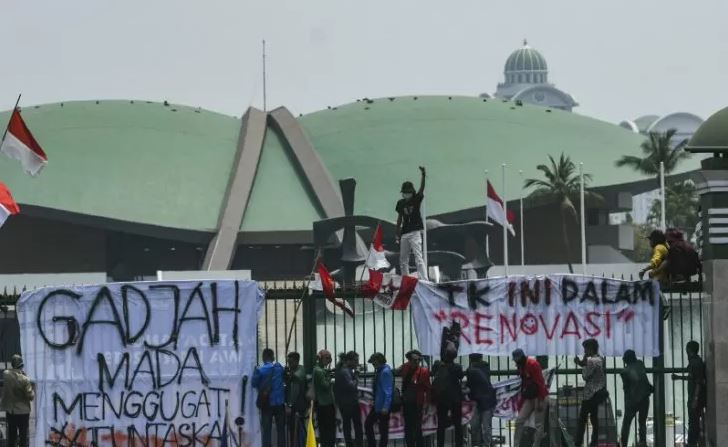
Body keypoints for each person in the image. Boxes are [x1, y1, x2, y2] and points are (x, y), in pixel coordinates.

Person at [672, 341, 706, 447]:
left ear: (689, 350)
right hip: (695, 397)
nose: (686, 351)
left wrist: (695, 399)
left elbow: (699, 382)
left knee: (693, 422)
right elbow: (692, 378)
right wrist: (679, 377)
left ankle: (692, 443)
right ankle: (692, 442)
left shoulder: (695, 363)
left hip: (695, 398)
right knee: (693, 421)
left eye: (687, 349)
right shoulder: (696, 362)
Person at [396, 166, 428, 280]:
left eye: (408, 192)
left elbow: (422, 189)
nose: (406, 194)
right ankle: (406, 280)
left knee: (418, 257)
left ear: (411, 192)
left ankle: (424, 279)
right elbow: (399, 218)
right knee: (403, 260)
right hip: (405, 232)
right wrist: (397, 232)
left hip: (415, 232)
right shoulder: (400, 203)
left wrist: (423, 175)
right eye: (404, 193)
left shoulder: (416, 199)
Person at [574, 339, 608, 447]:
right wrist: (583, 363)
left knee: (582, 420)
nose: (584, 352)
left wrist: (583, 364)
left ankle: (578, 443)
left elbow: (585, 376)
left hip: (589, 395)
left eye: (585, 349)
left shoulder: (591, 361)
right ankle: (594, 442)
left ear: (590, 349)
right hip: (598, 393)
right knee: (594, 419)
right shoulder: (600, 359)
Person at [511, 349, 548, 447]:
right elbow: (524, 384)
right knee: (519, 420)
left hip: (539, 396)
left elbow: (540, 383)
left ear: (520, 358)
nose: (515, 362)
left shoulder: (533, 364)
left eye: (516, 360)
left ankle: (536, 445)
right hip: (529, 397)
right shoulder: (522, 366)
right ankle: (516, 444)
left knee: (539, 425)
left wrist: (540, 400)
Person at [395, 350, 431, 447]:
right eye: (414, 360)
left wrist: (427, 403)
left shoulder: (423, 371)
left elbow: (428, 388)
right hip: (407, 402)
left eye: (418, 360)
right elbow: (395, 371)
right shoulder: (405, 367)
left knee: (417, 427)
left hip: (417, 403)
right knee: (408, 427)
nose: (416, 362)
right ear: (409, 360)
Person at [252, 348, 286, 447]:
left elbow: (254, 384)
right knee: (281, 431)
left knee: (267, 431)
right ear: (273, 357)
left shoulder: (260, 370)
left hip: (266, 404)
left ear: (263, 357)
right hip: (280, 404)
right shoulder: (279, 368)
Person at [432, 346, 464, 447]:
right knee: (458, 425)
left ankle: (440, 445)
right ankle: (459, 444)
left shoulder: (437, 365)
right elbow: (461, 376)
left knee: (441, 425)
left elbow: (433, 372)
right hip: (455, 399)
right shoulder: (457, 367)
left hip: (441, 399)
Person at [619, 350, 653, 447]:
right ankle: (642, 442)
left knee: (626, 424)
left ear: (626, 359)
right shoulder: (640, 364)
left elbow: (626, 388)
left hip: (632, 401)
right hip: (644, 398)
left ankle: (623, 444)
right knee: (642, 422)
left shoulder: (624, 372)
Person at [1, 354, 34, 447]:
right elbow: (31, 396)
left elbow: (10, 373)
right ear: (21, 365)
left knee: (12, 436)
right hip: (23, 412)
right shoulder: (25, 379)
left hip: (11, 411)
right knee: (23, 436)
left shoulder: (6, 375)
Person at [466, 354, 496, 447]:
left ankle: (477, 444)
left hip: (478, 401)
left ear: (470, 359)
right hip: (487, 401)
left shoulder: (470, 370)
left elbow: (469, 385)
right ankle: (486, 444)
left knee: (475, 426)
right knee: (486, 427)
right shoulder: (486, 367)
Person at [335, 351, 364, 447]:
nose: (357, 363)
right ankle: (356, 444)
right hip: (349, 403)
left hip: (345, 403)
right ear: (348, 361)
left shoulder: (343, 370)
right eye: (355, 361)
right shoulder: (345, 371)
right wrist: (357, 375)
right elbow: (352, 386)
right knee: (355, 426)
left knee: (348, 425)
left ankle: (351, 444)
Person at [365, 352, 393, 447]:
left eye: (373, 362)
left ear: (379, 360)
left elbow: (388, 391)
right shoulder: (380, 371)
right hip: (378, 405)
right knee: (373, 426)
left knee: (382, 430)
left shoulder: (385, 372)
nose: (373, 364)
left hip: (382, 407)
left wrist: (385, 406)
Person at [313, 349, 336, 447]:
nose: (329, 360)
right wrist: (330, 378)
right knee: (328, 429)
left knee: (326, 429)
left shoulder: (319, 369)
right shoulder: (318, 371)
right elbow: (325, 385)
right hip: (324, 404)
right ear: (321, 359)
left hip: (324, 404)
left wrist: (329, 372)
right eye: (327, 358)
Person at [285, 352, 308, 447]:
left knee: (296, 430)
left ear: (296, 361)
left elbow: (294, 392)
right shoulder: (299, 369)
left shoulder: (297, 375)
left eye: (290, 362)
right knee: (298, 429)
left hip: (297, 406)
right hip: (300, 405)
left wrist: (289, 405)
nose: (289, 365)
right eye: (288, 362)